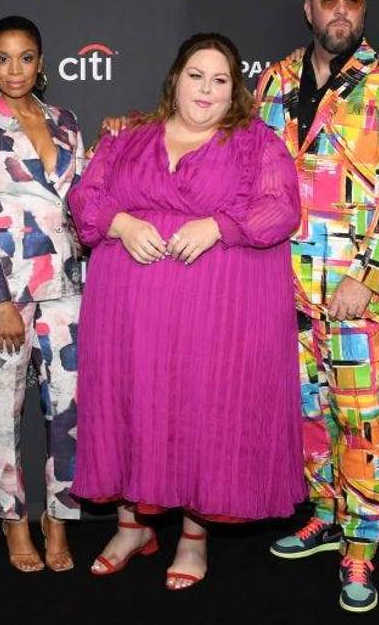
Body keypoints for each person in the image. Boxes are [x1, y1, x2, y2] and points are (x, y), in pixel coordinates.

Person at [70, 32, 303, 591]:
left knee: (202, 412)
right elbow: (85, 199)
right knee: (130, 403)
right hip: (128, 312)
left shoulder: (255, 143)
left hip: (213, 316)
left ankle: (193, 538)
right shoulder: (128, 138)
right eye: (196, 75)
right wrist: (122, 224)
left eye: (220, 79)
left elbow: (281, 209)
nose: (206, 89)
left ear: (234, 91)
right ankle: (131, 527)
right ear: (175, 79)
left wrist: (218, 225)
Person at [256, 0, 379, 613]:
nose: (338, 10)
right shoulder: (272, 80)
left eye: (351, 1)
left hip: (354, 288)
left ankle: (359, 549)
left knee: (357, 420)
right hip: (282, 288)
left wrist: (370, 273)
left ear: (363, 9)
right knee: (305, 414)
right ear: (308, 9)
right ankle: (325, 516)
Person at [0, 15, 85, 573]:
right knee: (2, 414)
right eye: (2, 58)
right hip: (2, 294)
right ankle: (13, 523)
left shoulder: (68, 123)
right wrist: (1, 299)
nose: (14, 69)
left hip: (66, 290)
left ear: (40, 62)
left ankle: (60, 520)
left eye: (25, 57)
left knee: (68, 413)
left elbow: (84, 201)